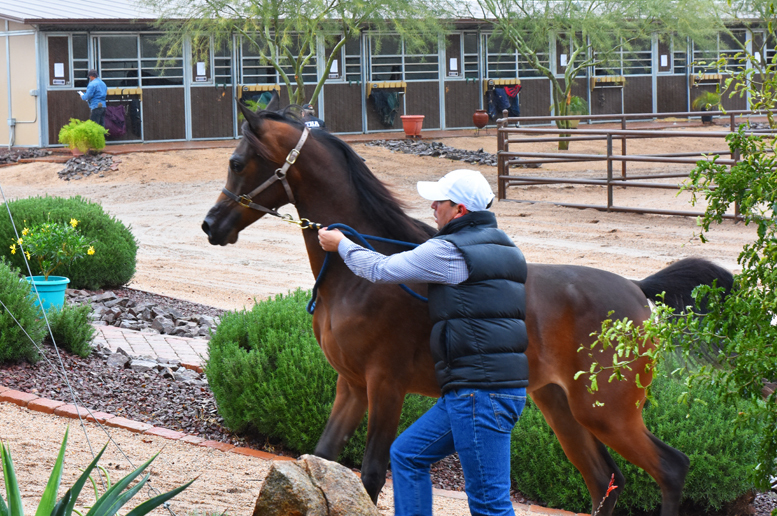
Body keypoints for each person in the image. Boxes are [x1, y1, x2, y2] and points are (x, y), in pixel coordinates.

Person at [318, 169, 529, 516]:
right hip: (484, 390)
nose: (432, 206)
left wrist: (341, 244)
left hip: (478, 394)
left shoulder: (448, 251)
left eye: (440, 201)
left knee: (489, 505)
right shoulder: (507, 248)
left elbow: (381, 270)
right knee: (407, 455)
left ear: (459, 210)